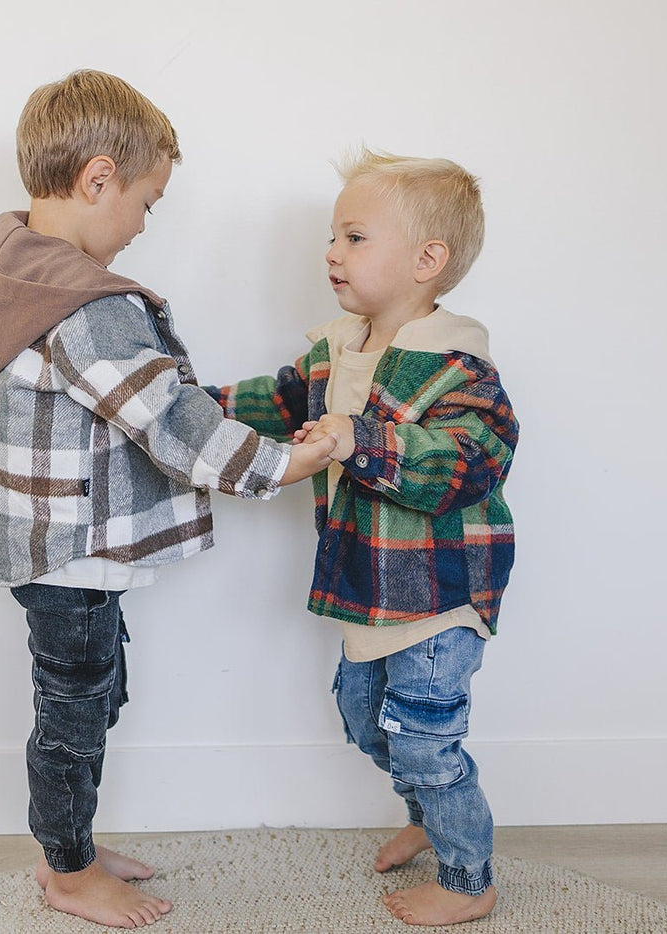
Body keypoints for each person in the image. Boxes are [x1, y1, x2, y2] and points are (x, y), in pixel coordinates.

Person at [0, 69, 338, 929]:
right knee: (73, 715)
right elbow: (170, 421)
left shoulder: (19, 269)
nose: (140, 226)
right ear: (99, 179)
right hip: (70, 552)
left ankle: (76, 847)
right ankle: (66, 869)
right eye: (147, 203)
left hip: (50, 544)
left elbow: (158, 401)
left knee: (95, 693)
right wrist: (282, 466)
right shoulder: (83, 305)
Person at [209, 148, 517, 926]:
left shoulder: (457, 366)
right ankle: (425, 813)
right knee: (360, 715)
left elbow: (466, 463)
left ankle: (467, 876)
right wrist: (189, 405)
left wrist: (360, 440)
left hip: (440, 596)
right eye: (332, 237)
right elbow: (275, 400)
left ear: (427, 259)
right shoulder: (336, 349)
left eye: (354, 238)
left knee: (425, 739)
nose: (331, 253)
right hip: (368, 590)